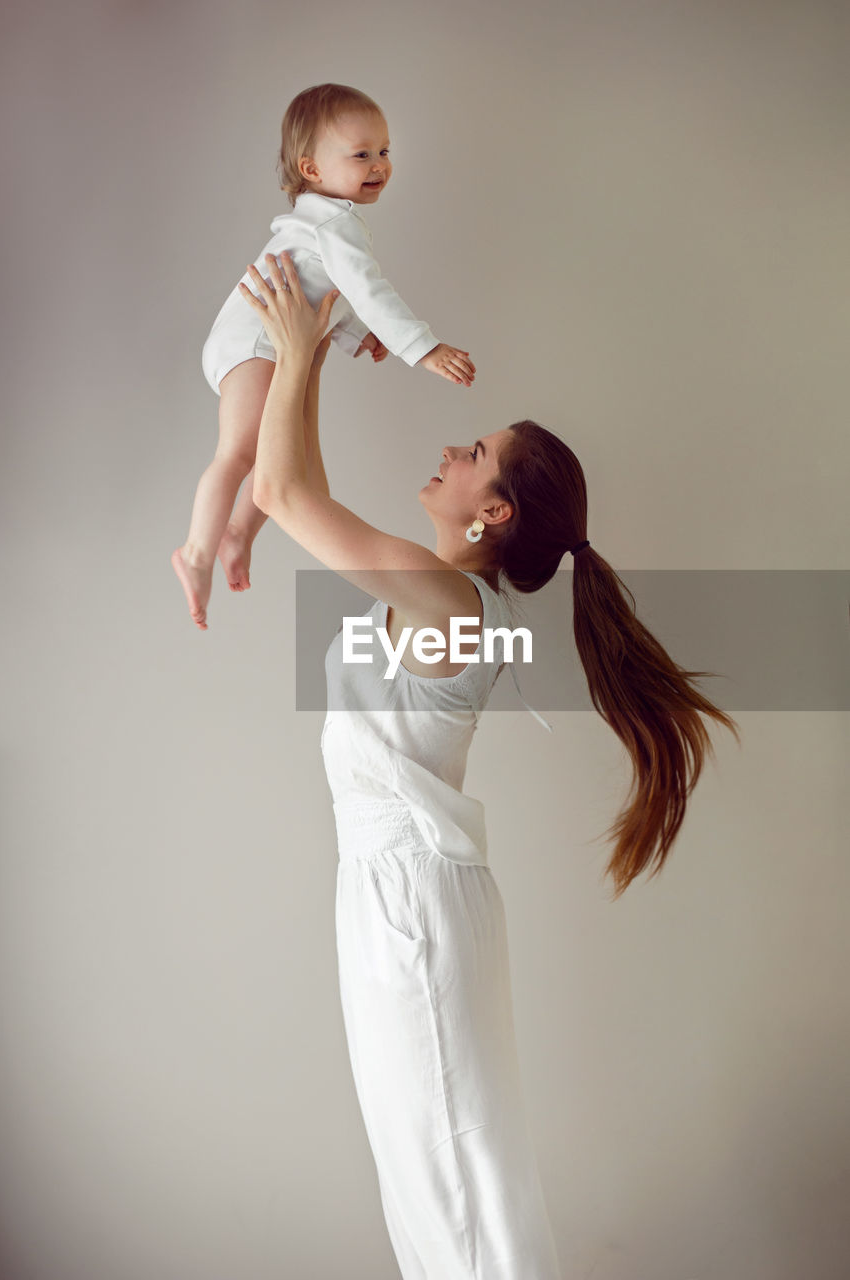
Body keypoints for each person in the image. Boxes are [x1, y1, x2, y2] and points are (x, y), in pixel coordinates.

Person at [238, 252, 741, 1278]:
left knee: (454, 1180)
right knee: (431, 1175)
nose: (446, 450)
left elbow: (280, 489)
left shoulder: (450, 603)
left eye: (470, 450)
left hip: (411, 902)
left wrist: (298, 350)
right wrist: (314, 354)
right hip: (395, 892)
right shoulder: (439, 594)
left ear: (493, 513)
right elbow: (298, 486)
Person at [172, 82, 475, 630]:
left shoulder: (323, 222)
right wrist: (422, 348)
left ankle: (238, 533)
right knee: (240, 454)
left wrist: (359, 337)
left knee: (272, 452)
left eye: (384, 152)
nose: (379, 165)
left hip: (252, 342)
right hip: (255, 343)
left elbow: (331, 294)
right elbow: (367, 287)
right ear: (311, 169)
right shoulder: (336, 223)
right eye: (361, 154)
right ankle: (196, 553)